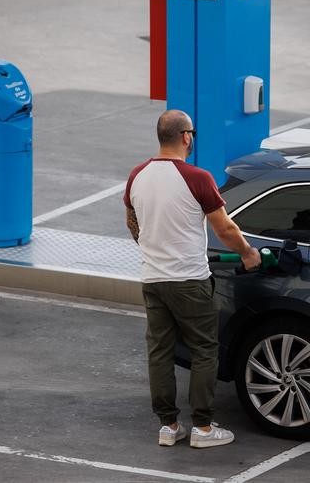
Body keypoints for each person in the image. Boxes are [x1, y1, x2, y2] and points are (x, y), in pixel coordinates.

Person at [123, 109, 261, 448]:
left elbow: (132, 222)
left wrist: (153, 248)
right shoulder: (197, 177)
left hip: (152, 279)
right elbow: (225, 228)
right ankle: (202, 427)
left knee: (159, 351)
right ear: (186, 137)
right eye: (192, 134)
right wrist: (248, 253)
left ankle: (168, 426)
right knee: (204, 349)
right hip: (188, 279)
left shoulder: (137, 175)